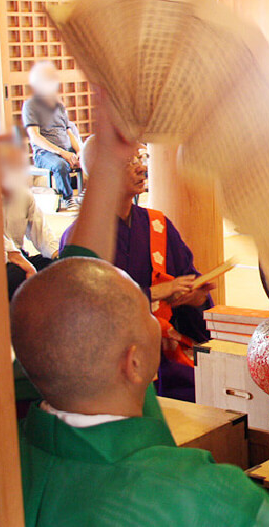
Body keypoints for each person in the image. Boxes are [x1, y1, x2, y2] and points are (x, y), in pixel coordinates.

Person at [13, 99, 269, 527]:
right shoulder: (201, 497)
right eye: (141, 309)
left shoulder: (12, 455)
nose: (150, 313)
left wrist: (107, 161)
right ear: (134, 362)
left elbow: (80, 270)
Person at [60, 137, 213, 402]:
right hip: (111, 371)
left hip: (168, 361)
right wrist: (150, 293)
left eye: (141, 159)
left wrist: (195, 297)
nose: (141, 168)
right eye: (128, 162)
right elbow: (82, 314)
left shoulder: (158, 225)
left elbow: (191, 289)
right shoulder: (80, 239)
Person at [1, 135, 59, 299]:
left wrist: (59, 257)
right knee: (16, 275)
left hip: (20, 255)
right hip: (0, 263)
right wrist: (23, 263)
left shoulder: (23, 195)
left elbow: (41, 233)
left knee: (55, 268)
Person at [23, 61, 83, 211]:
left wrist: (80, 151)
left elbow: (68, 131)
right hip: (45, 153)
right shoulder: (30, 105)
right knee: (60, 165)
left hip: (66, 149)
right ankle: (67, 198)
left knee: (92, 157)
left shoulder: (59, 105)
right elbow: (35, 137)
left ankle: (88, 194)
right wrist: (63, 154)